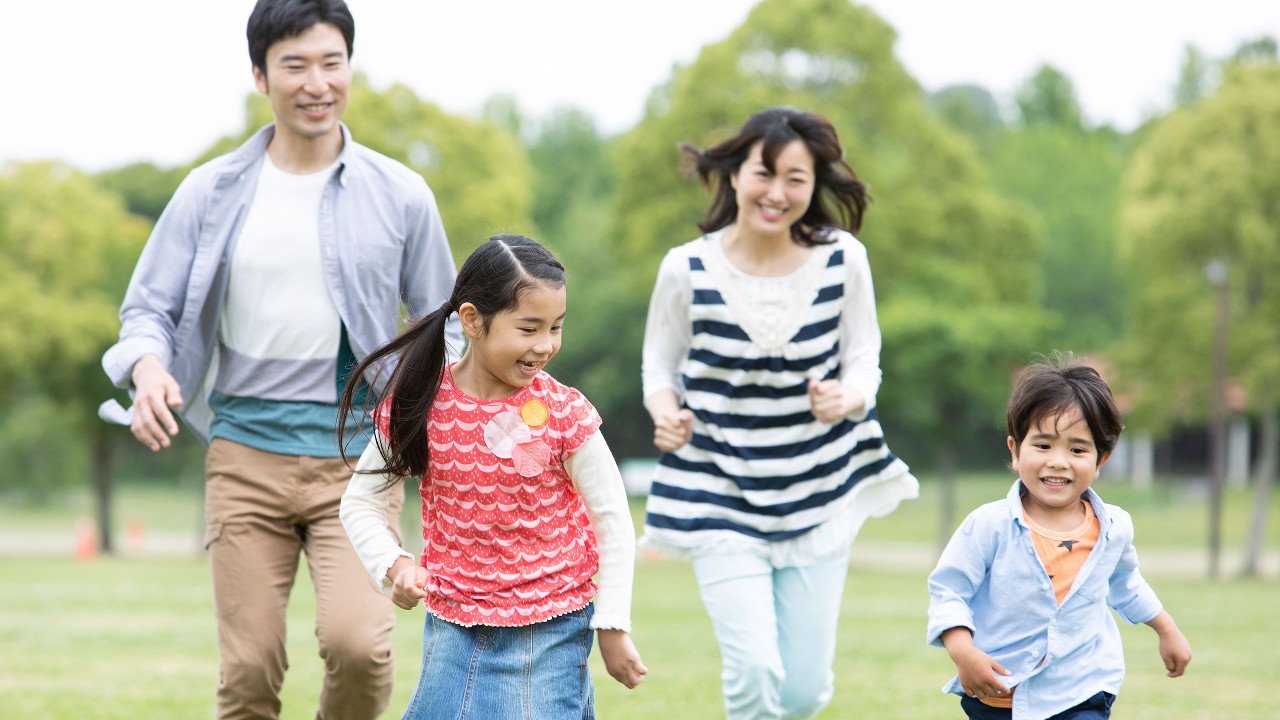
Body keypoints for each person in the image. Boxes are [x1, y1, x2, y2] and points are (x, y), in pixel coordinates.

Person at [99, 1, 460, 717]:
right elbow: (148, 310)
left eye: (332, 63)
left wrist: (436, 420)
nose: (316, 82)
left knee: (361, 649)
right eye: (295, 65)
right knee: (250, 671)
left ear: (350, 68)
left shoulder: (401, 195)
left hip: (359, 458)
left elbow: (443, 327)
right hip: (244, 459)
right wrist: (148, 370)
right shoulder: (210, 192)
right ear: (260, 75)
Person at [639, 106, 919, 719]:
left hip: (819, 487)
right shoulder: (685, 268)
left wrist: (849, 395)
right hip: (718, 489)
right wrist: (667, 413)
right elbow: (659, 367)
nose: (778, 192)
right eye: (765, 173)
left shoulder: (843, 258)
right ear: (735, 174)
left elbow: (864, 356)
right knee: (755, 668)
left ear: (814, 186)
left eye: (797, 178)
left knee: (803, 690)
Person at [339, 234, 646, 719]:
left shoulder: (564, 412)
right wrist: (394, 566)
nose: (545, 345)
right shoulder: (419, 405)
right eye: (529, 328)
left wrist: (611, 624)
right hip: (453, 625)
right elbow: (360, 502)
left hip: (551, 624)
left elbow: (612, 520)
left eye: (555, 328)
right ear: (472, 320)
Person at [927, 356, 1193, 719]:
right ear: (1014, 450)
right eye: (1043, 445)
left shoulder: (1112, 528)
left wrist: (1166, 629)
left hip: (1081, 688)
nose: (1058, 461)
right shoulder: (989, 525)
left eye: (1078, 449)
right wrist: (963, 652)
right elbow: (949, 591)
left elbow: (1126, 583)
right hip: (999, 691)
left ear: (1101, 461)